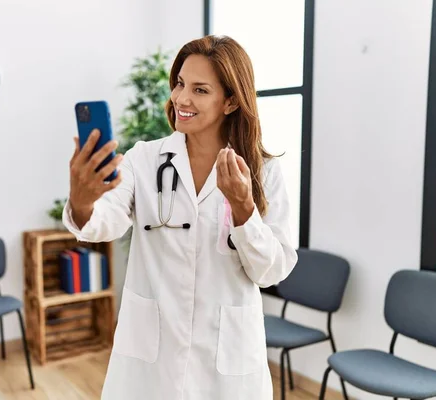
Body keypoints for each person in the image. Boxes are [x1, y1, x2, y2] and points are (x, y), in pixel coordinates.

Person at [63, 35, 298, 400]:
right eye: (179, 83)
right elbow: (104, 221)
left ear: (231, 101)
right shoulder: (144, 158)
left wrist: (243, 209)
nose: (181, 98)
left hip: (225, 358)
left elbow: (273, 270)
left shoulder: (262, 171)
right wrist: (82, 201)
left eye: (200, 90)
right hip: (150, 356)